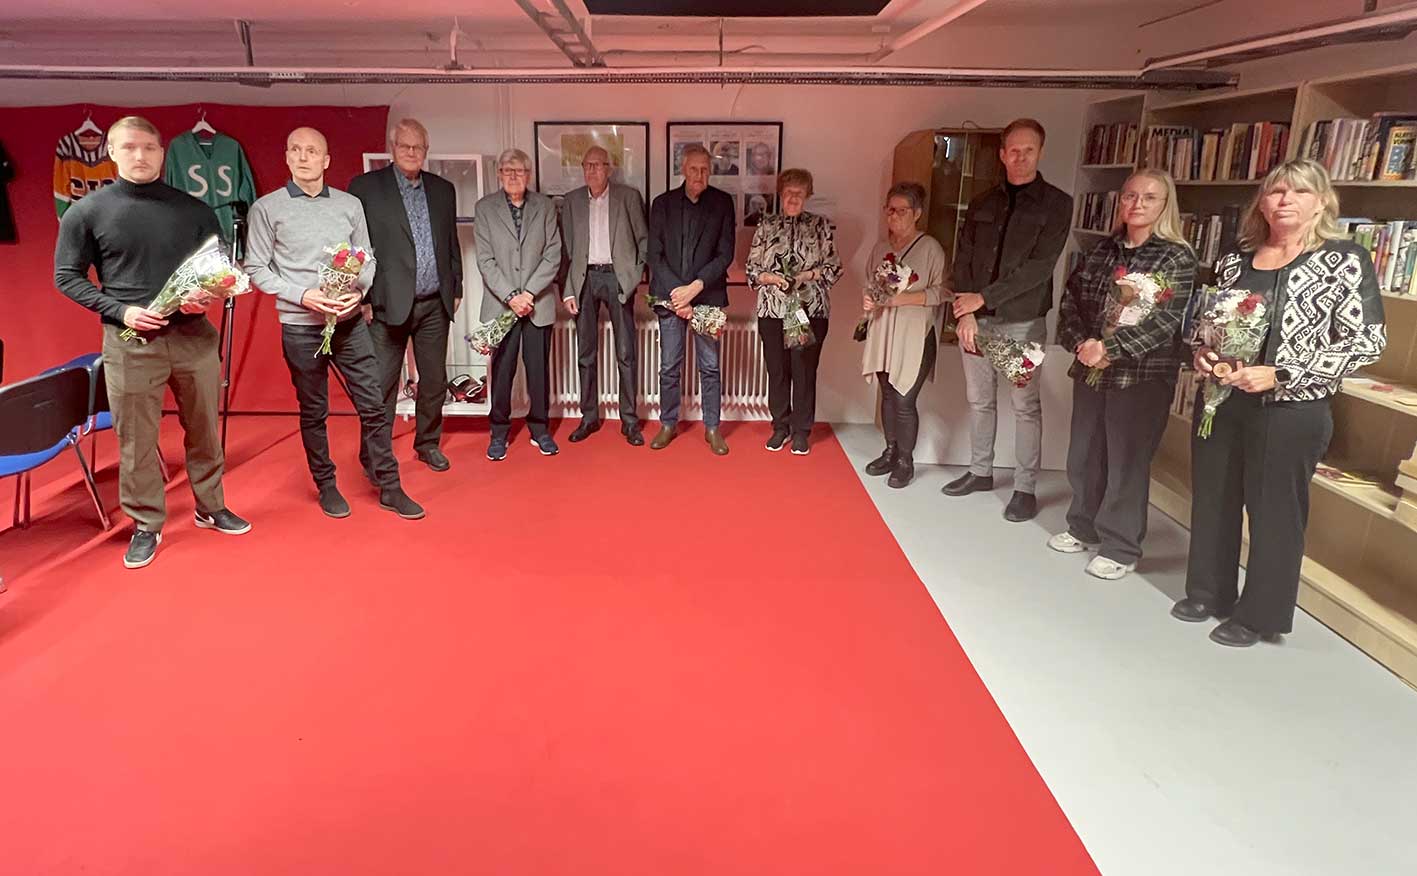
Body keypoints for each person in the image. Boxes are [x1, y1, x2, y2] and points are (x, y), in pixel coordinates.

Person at [1172, 159, 1386, 647]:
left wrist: (1283, 372)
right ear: (1262, 202)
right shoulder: (1236, 259)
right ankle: (1208, 592)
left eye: (1299, 192)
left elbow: (1366, 342)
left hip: (1290, 410)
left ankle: (1260, 615)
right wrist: (1203, 352)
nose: (1285, 200)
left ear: (1321, 202)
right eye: (1275, 192)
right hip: (1222, 400)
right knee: (1214, 497)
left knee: (1274, 513)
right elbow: (1208, 324)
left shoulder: (1344, 260)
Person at [54, 115, 250, 570]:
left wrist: (207, 297)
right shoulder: (87, 212)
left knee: (205, 428)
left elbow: (217, 269)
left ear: (162, 153)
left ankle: (210, 505)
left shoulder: (195, 210)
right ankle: (146, 523)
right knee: (136, 438)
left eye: (148, 147)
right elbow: (66, 276)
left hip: (194, 339)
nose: (139, 156)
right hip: (130, 341)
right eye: (128, 147)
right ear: (111, 153)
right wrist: (120, 311)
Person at [245, 126, 424, 521]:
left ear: (326, 160)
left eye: (312, 151)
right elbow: (256, 268)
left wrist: (359, 291)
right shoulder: (267, 209)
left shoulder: (349, 205)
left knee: (374, 404)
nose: (303, 157)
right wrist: (302, 295)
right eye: (296, 150)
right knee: (315, 411)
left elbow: (367, 257)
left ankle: (390, 485)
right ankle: (326, 485)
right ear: (287, 157)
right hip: (300, 325)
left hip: (349, 323)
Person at [1053, 169, 1195, 580]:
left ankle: (1121, 546)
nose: (1137, 204)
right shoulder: (1103, 249)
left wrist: (1110, 350)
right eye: (1130, 195)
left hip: (1141, 376)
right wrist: (1083, 344)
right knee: (1084, 453)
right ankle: (1083, 526)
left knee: (1126, 463)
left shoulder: (1175, 257)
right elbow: (1071, 301)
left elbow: (1165, 323)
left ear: (1165, 205)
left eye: (1149, 197)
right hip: (1091, 368)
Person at [946, 118, 1073, 522]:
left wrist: (984, 298)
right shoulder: (983, 202)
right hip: (976, 321)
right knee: (979, 401)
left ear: (1040, 152)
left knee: (1024, 406)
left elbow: (1039, 267)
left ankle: (1024, 488)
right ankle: (980, 471)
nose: (1020, 157)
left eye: (1028, 150)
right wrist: (967, 311)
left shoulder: (1057, 204)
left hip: (1020, 322)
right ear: (1002, 154)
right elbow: (963, 257)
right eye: (1013, 150)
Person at [348, 118, 463, 473]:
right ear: (392, 148)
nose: (412, 152)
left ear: (426, 151)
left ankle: (427, 443)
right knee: (381, 384)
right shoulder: (366, 188)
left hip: (434, 304)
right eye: (405, 146)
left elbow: (450, 243)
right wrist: (363, 296)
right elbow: (356, 247)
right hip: (386, 305)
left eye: (418, 147)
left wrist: (456, 287)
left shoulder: (443, 190)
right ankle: (374, 453)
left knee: (434, 381)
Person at [473, 148, 563, 461]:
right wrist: (512, 296)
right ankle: (499, 432)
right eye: (508, 171)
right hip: (502, 305)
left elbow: (553, 255)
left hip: (538, 304)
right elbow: (485, 261)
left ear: (529, 175)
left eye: (520, 171)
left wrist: (529, 294)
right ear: (499, 174)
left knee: (538, 371)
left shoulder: (545, 206)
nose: (514, 176)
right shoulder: (485, 208)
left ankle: (540, 429)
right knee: (502, 371)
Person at [647, 143, 736, 455]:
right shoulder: (662, 204)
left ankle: (712, 427)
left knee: (710, 366)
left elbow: (725, 253)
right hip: (670, 297)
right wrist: (679, 294)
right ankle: (668, 423)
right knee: (669, 365)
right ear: (683, 169)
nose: (700, 174)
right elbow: (654, 254)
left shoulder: (723, 203)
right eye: (694, 168)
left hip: (707, 295)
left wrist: (695, 288)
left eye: (705, 169)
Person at [859, 182, 950, 488]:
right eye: (890, 210)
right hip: (884, 330)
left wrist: (902, 299)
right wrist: (869, 300)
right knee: (886, 393)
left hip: (914, 333)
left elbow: (942, 292)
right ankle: (890, 450)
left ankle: (905, 461)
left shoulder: (930, 248)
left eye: (902, 211)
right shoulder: (880, 249)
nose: (894, 216)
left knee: (904, 398)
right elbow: (870, 284)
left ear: (917, 213)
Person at [746, 168, 842, 455]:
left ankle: (801, 431)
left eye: (799, 193)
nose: (793, 198)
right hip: (772, 311)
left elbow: (833, 268)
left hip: (809, 311)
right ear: (780, 194)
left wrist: (805, 276)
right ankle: (780, 426)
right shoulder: (767, 225)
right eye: (788, 192)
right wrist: (773, 279)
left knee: (804, 372)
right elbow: (752, 270)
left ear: (808, 195)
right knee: (777, 371)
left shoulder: (820, 225)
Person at [560, 145, 649, 446]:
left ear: (609, 168)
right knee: (585, 353)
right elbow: (566, 250)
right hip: (584, 279)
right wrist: (568, 290)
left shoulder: (628, 197)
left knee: (626, 352)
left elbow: (644, 241)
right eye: (587, 165)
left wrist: (634, 277)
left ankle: (630, 421)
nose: (592, 170)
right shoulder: (571, 201)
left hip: (617, 278)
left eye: (598, 165)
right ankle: (589, 417)